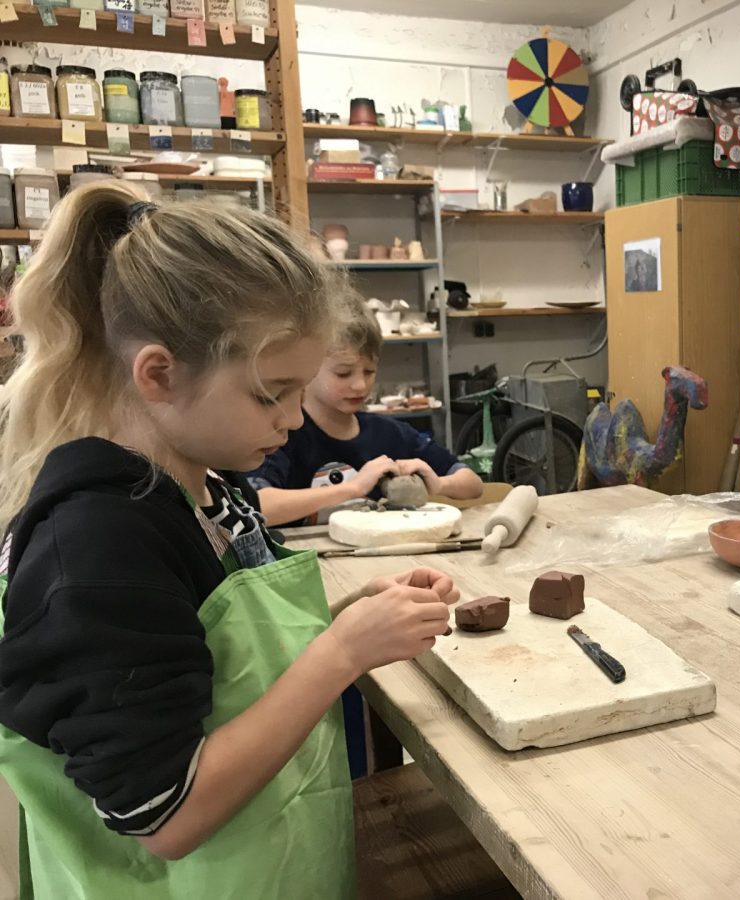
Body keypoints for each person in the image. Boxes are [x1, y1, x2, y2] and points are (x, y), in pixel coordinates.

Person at [0, 183, 459, 898]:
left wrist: (356, 621)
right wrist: (340, 654)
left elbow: (224, 666)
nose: (293, 421)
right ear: (160, 373)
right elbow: (165, 814)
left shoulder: (207, 485)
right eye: (269, 393)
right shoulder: (96, 546)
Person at [250, 293, 482, 527]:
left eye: (369, 372)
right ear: (307, 369)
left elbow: (472, 484)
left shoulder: (389, 433)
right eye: (343, 373)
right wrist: (354, 488)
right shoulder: (283, 436)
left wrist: (440, 484)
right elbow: (257, 506)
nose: (360, 385)